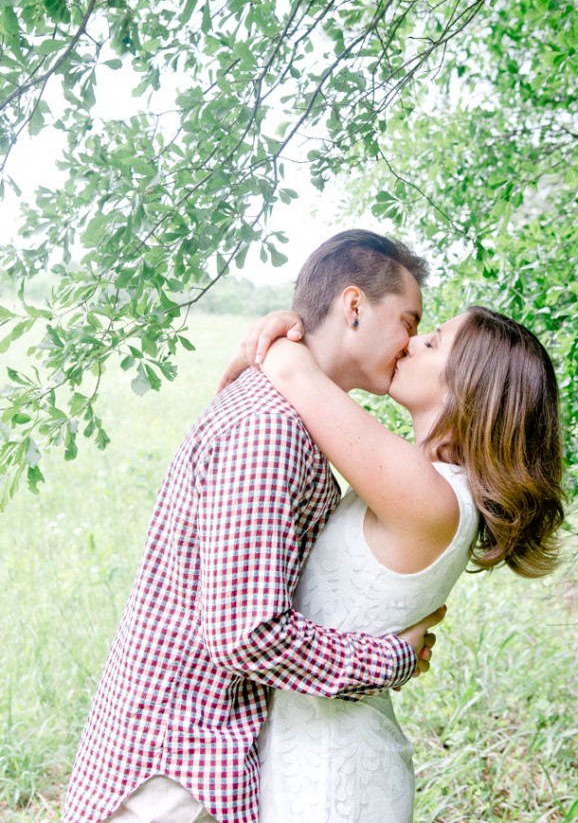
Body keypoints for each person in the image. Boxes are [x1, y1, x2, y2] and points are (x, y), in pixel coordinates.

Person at [62, 230, 447, 823]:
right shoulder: (273, 426)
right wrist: (390, 660)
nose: (410, 340)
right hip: (177, 768)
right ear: (353, 306)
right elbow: (245, 633)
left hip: (197, 751)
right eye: (408, 318)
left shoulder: (295, 411)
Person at [219, 303, 565, 822]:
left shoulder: (429, 495)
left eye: (435, 341)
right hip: (308, 762)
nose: (414, 341)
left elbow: (293, 371)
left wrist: (281, 329)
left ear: (470, 387)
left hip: (335, 785)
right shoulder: (423, 485)